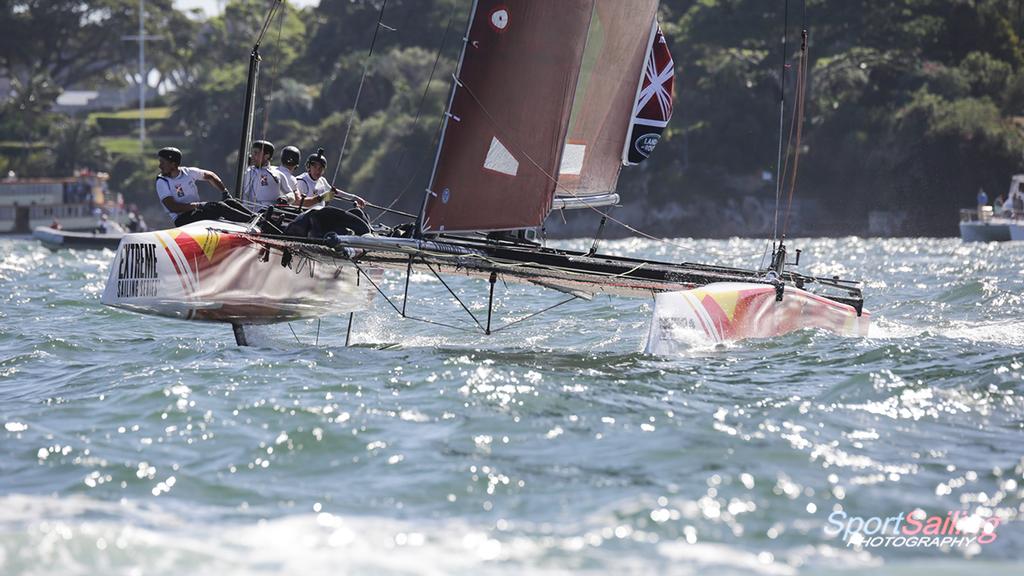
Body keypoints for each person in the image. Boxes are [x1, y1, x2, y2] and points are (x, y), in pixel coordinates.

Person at [155, 147, 253, 227]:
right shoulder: (162, 181)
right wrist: (199, 205)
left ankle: (257, 219)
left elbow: (210, 176)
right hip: (182, 219)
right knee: (218, 207)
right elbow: (173, 207)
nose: (160, 166)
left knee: (229, 202)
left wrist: (225, 192)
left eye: (162, 162)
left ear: (173, 164)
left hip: (196, 212)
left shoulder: (188, 172)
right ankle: (252, 221)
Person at [241, 140, 297, 209]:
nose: (252, 156)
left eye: (256, 153)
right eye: (252, 153)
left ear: (267, 155)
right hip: (250, 214)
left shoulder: (278, 174)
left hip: (272, 214)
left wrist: (286, 198)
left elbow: (292, 195)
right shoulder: (247, 172)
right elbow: (242, 195)